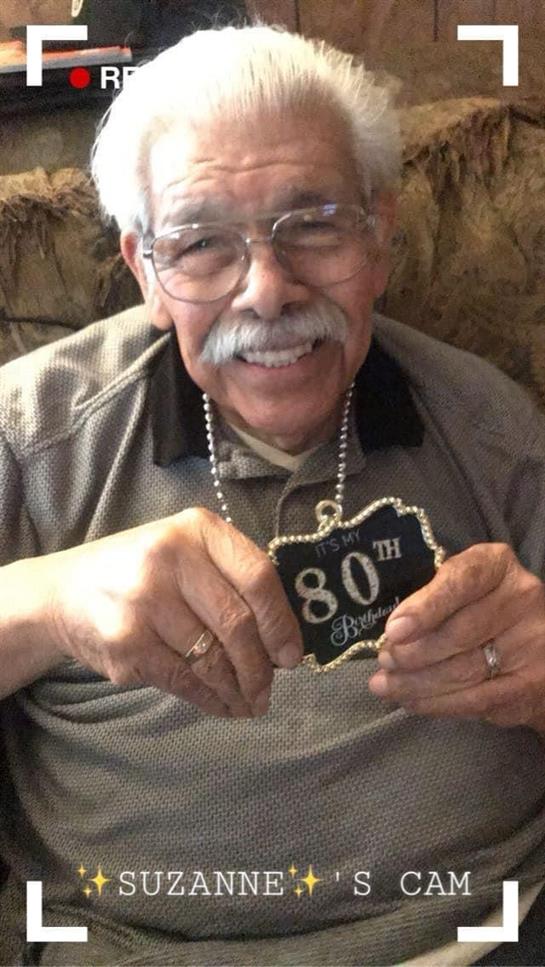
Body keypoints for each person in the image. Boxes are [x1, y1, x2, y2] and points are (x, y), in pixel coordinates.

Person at [1, 22, 545, 967]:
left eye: (314, 223)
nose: (266, 290)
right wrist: (48, 602)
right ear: (145, 272)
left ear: (378, 237)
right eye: (201, 244)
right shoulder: (32, 433)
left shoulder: (493, 427)